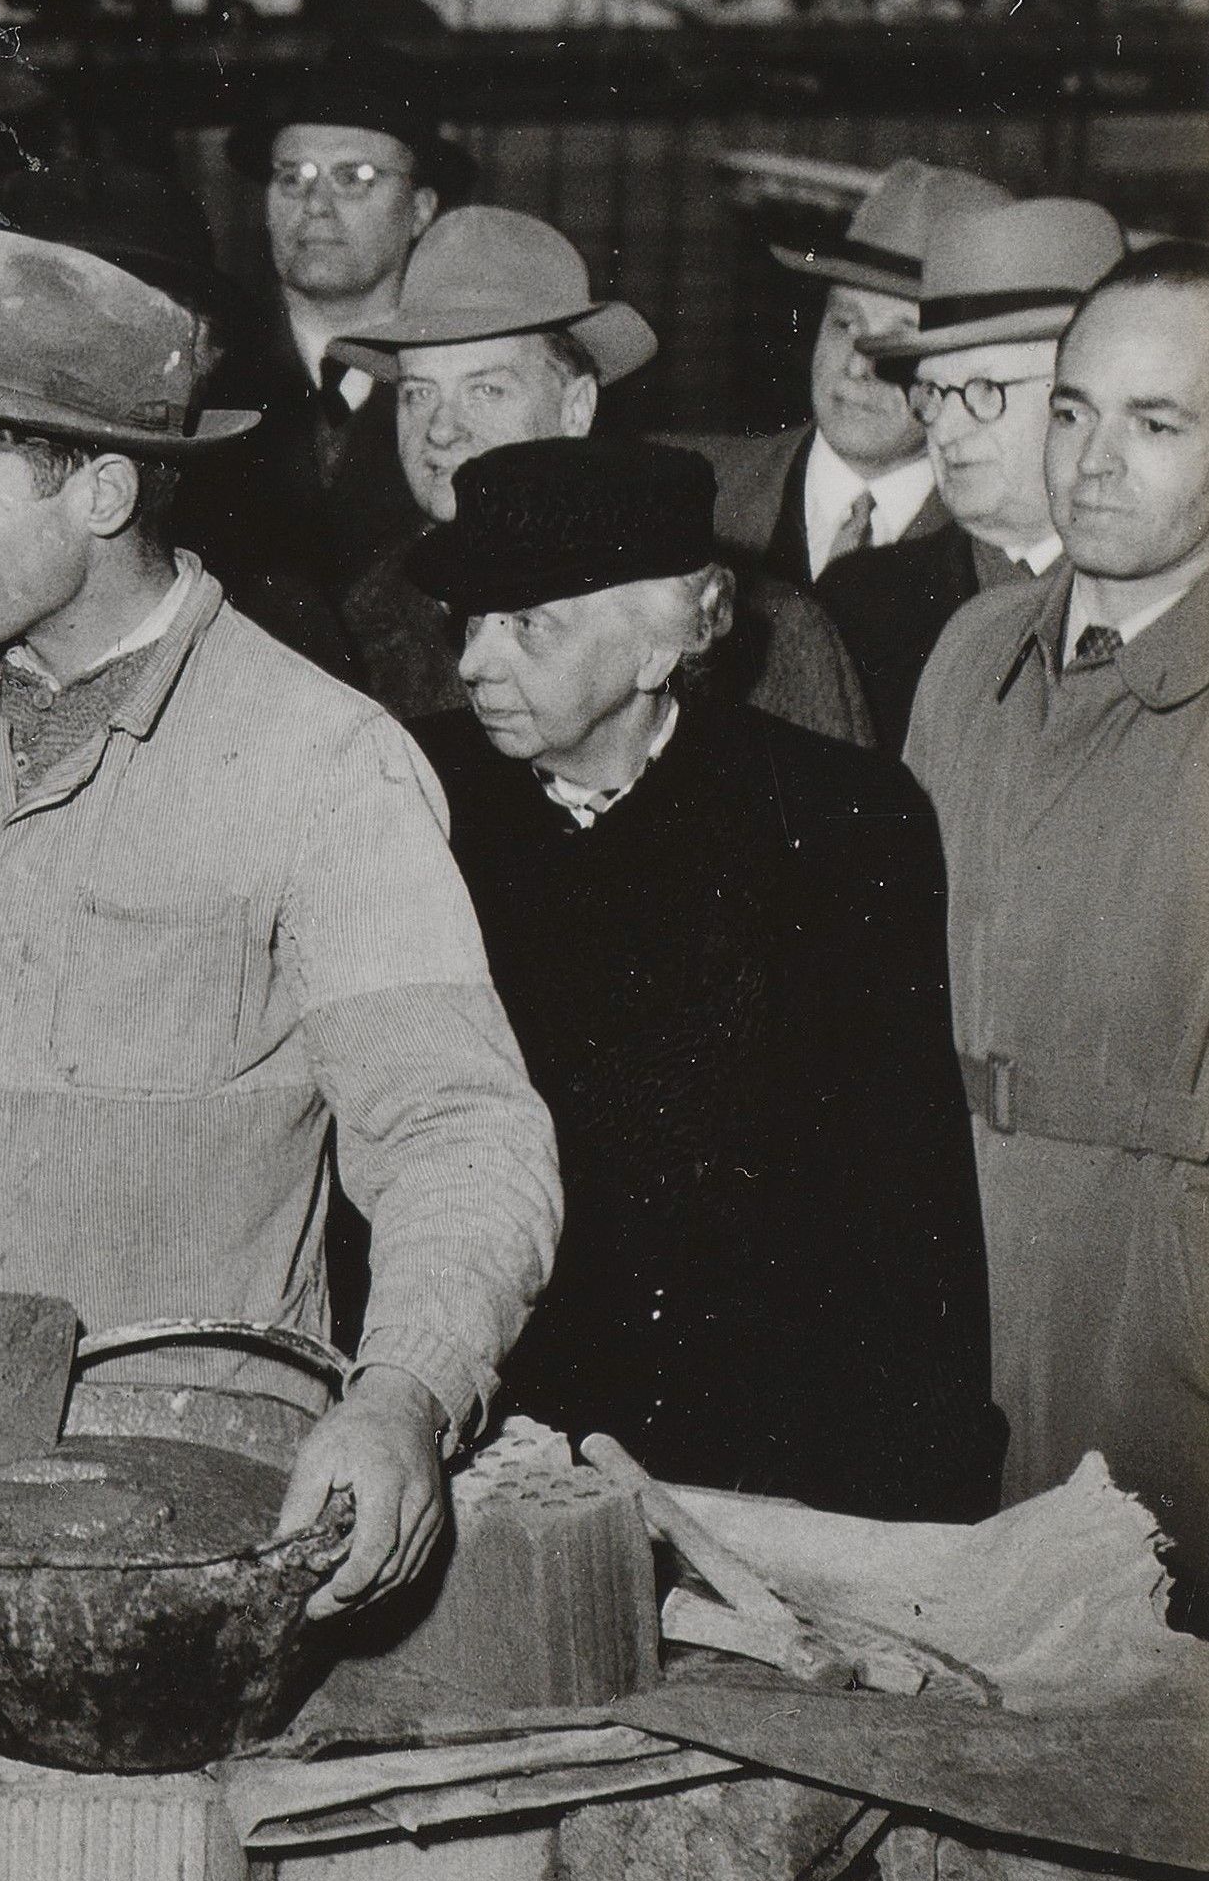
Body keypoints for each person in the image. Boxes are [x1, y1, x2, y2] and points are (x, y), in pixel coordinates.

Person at [0, 229, 561, 1648]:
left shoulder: (319, 759)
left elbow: (456, 1127)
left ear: (104, 490)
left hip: (163, 1501)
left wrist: (403, 1392)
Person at [412, 439, 1000, 1520]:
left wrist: (909, 1501)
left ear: (659, 646)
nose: (475, 664)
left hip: (757, 1456)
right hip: (493, 1440)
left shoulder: (838, 823)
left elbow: (900, 1201)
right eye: (471, 621)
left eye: (528, 624)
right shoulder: (414, 799)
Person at [906, 241, 1209, 1603]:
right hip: (945, 1264)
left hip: (1154, 1307)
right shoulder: (972, 651)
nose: (1093, 459)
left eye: (1158, 423)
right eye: (1075, 408)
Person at [328, 208, 872, 747]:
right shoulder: (360, 622)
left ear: (577, 409)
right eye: (417, 393)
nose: (440, 429)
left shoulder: (764, 634)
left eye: (486, 390)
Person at [824, 199, 1127, 742]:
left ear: (1083, 405)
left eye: (985, 390)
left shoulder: (1162, 603)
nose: (944, 429)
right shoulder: (856, 603)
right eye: (931, 391)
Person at [186, 82, 471, 647]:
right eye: (291, 178)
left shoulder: (469, 387)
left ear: (419, 210)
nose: (314, 205)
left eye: (354, 178)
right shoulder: (201, 378)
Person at [674, 159, 1011, 585]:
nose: (857, 366)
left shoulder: (1001, 565)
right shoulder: (686, 494)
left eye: (900, 343)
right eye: (845, 324)